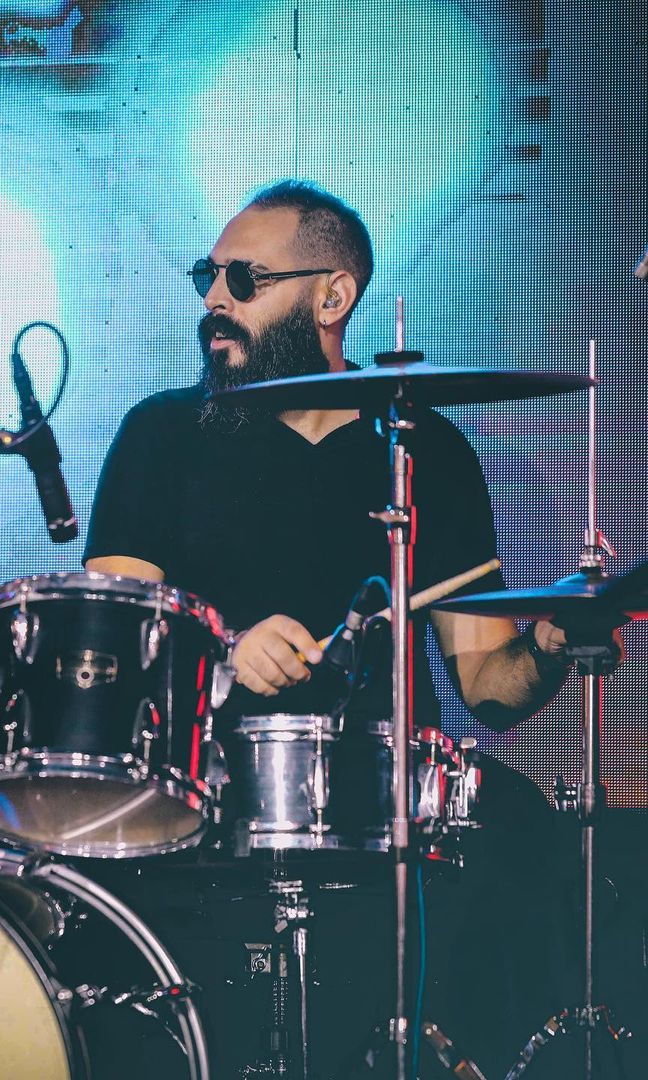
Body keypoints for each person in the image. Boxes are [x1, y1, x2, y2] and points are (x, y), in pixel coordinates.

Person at [81, 180, 612, 1078]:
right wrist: (221, 651)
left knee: (533, 843)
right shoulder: (162, 435)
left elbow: (490, 689)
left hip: (384, 809)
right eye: (209, 277)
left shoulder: (424, 450)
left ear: (332, 297)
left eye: (243, 279)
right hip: (206, 798)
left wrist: (555, 641)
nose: (214, 301)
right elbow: (111, 642)